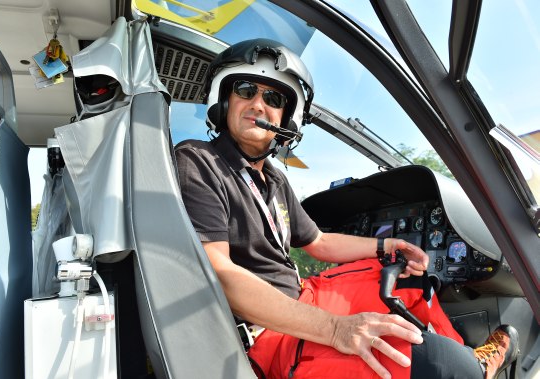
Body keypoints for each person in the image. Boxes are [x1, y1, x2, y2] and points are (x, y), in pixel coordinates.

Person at [175, 38, 519, 379]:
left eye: (273, 97)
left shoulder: (276, 180)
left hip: (306, 296)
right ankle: (466, 368)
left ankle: (470, 356)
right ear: (225, 99)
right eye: (246, 89)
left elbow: (319, 243)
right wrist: (335, 329)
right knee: (443, 367)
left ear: (286, 118)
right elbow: (219, 273)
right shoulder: (199, 160)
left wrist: (388, 246)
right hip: (269, 333)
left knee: (411, 278)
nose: (258, 104)